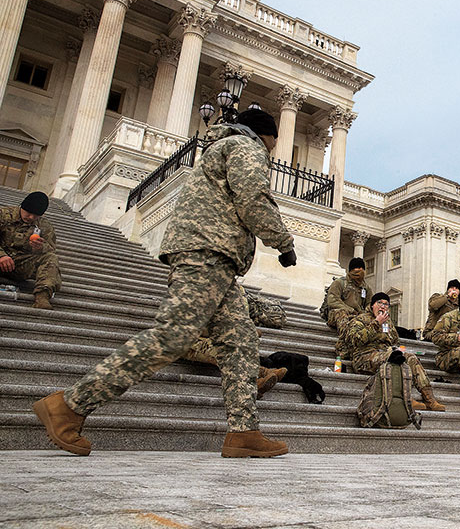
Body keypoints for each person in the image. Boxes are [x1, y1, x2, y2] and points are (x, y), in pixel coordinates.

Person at [33, 109, 296, 458]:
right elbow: (253, 199)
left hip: (216, 258)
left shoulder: (223, 148)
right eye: (273, 144)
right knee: (172, 337)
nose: (272, 151)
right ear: (267, 136)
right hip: (206, 251)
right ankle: (69, 404)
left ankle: (243, 431)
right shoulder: (246, 147)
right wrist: (284, 242)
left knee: (240, 342)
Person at [347, 292, 445, 411]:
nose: (383, 306)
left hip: (385, 354)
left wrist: (398, 349)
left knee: (410, 358)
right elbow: (355, 340)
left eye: (386, 304)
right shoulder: (360, 319)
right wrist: (376, 323)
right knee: (393, 358)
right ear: (372, 305)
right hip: (364, 357)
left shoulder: (388, 322)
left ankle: (429, 398)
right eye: (380, 303)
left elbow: (395, 341)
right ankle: (405, 399)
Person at [0, 191, 61, 309]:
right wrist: (1, 255)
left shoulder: (45, 226)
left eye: (36, 215)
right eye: (29, 213)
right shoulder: (4, 214)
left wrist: (40, 247)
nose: (31, 217)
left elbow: (51, 250)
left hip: (20, 265)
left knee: (51, 258)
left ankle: (42, 297)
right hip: (2, 259)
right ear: (22, 207)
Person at [327, 257, 371, 358]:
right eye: (356, 268)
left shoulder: (366, 288)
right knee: (341, 313)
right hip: (338, 314)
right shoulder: (340, 283)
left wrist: (364, 314)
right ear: (351, 270)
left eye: (361, 268)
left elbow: (370, 303)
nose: (359, 271)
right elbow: (332, 300)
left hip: (357, 316)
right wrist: (349, 310)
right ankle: (344, 345)